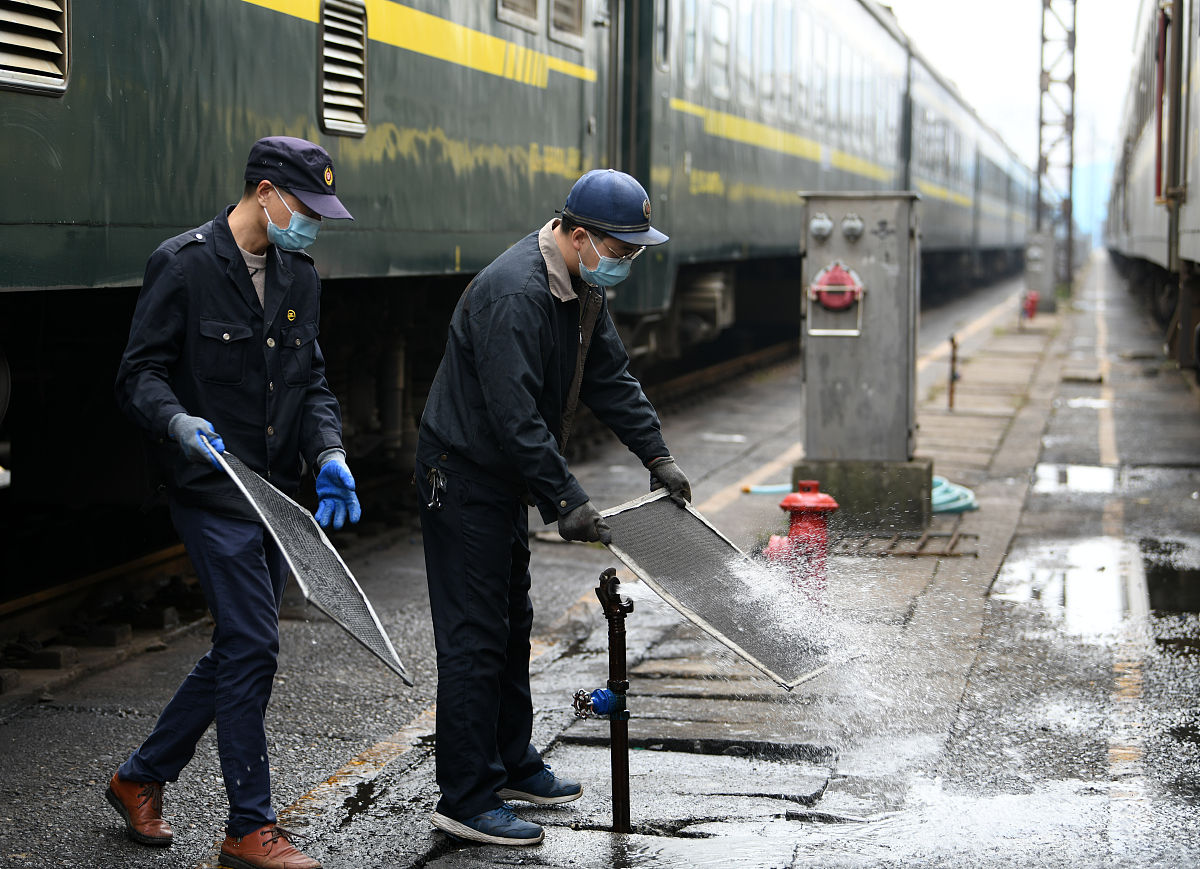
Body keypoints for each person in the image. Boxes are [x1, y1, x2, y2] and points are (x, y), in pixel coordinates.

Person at [415, 169, 692, 846]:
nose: (624, 264)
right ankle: (465, 798)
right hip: (465, 474)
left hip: (501, 476)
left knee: (512, 624)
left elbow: (611, 378)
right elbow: (515, 416)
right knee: (473, 638)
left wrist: (657, 456)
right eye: (619, 251)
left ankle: (510, 763)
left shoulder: (583, 285)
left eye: (632, 253)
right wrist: (567, 499)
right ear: (576, 236)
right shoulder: (514, 294)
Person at [109, 136, 359, 869]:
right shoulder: (184, 264)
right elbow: (138, 374)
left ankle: (139, 776)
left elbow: (311, 382)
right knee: (253, 642)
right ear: (264, 193)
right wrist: (176, 421)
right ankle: (250, 826)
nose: (311, 222)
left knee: (237, 648)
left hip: (276, 496)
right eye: (305, 208)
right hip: (212, 489)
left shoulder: (300, 278)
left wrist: (331, 451)